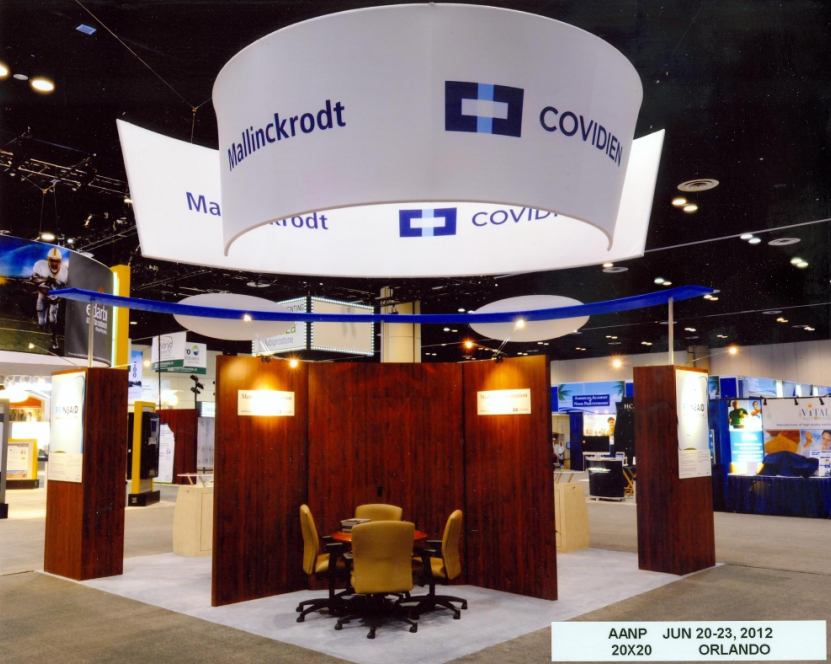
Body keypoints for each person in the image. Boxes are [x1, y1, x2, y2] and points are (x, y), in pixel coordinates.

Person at [31, 247, 68, 349]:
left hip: (54, 296)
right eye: (52, 260)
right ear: (48, 259)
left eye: (57, 261)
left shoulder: (64, 271)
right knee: (41, 321)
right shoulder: (41, 265)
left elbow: (64, 289)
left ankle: (54, 338)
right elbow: (33, 279)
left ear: (60, 261)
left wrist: (58, 299)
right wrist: (47, 279)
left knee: (52, 319)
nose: (54, 264)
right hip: (42, 294)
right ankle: (43, 327)